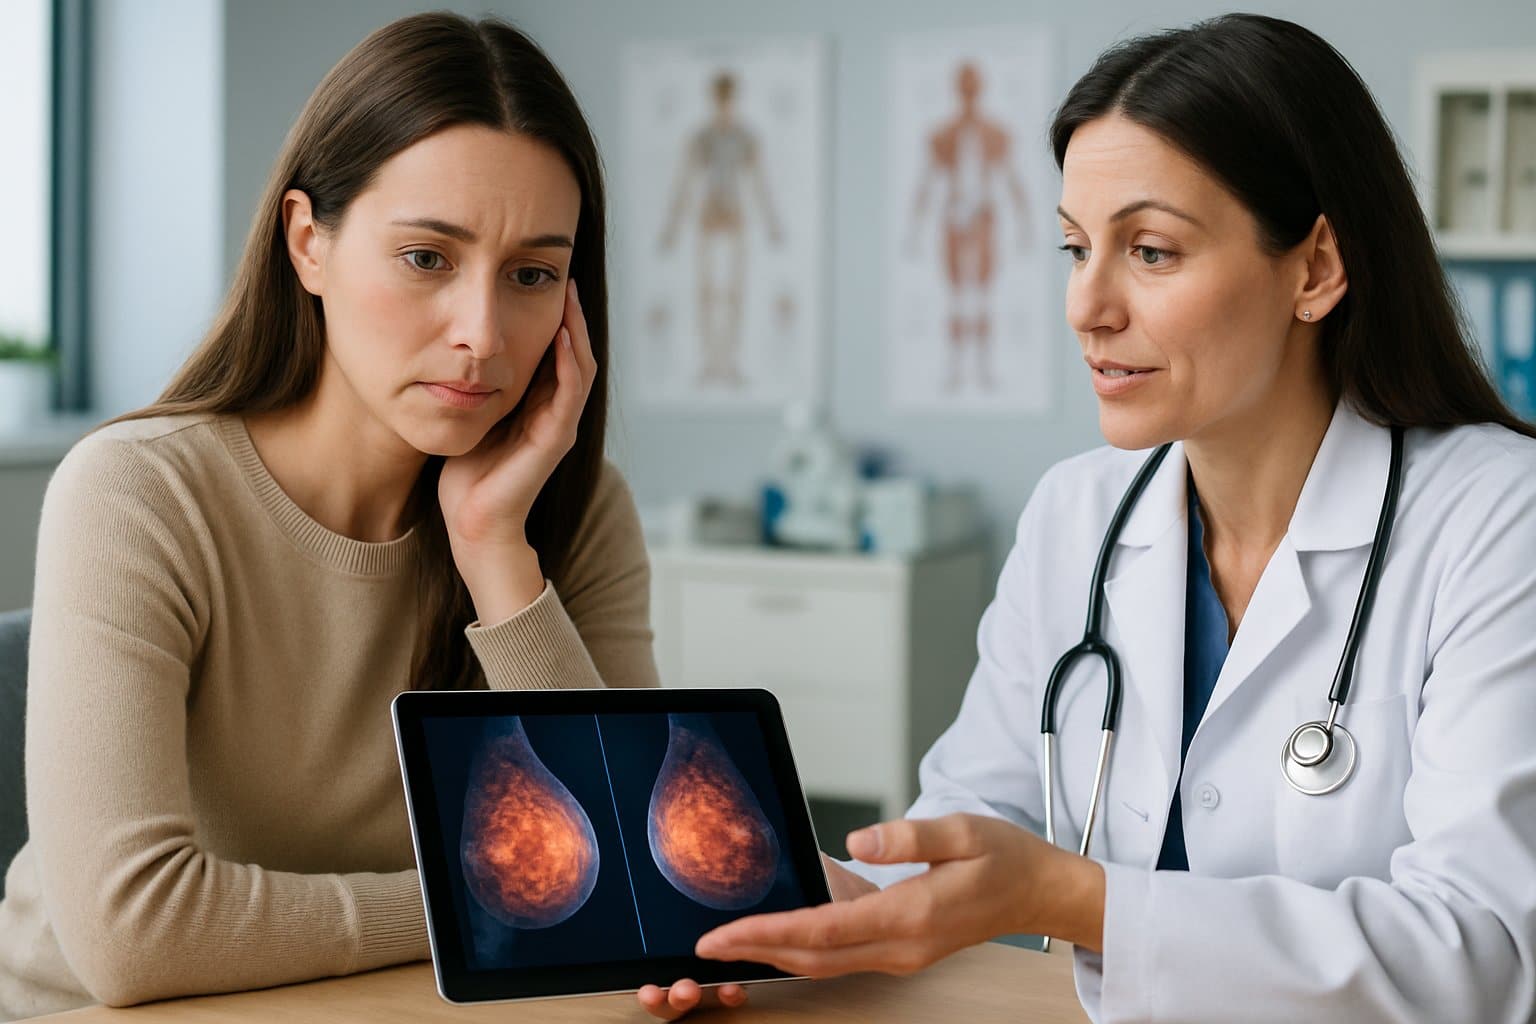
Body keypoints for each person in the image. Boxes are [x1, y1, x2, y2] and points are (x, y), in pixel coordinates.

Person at [641, 14, 1536, 1023]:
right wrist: (821, 911)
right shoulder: (1080, 513)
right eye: (1076, 246)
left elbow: (1484, 954)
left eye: (1150, 250)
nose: (1086, 304)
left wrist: (1070, 896)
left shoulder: (1500, 518)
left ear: (1317, 268)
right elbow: (979, 818)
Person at [0, 13, 658, 1020]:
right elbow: (135, 934)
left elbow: (630, 870)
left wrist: (495, 552)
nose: (481, 333)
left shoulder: (569, 508)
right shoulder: (137, 494)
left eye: (531, 275)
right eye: (428, 258)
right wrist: (514, 899)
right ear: (308, 241)